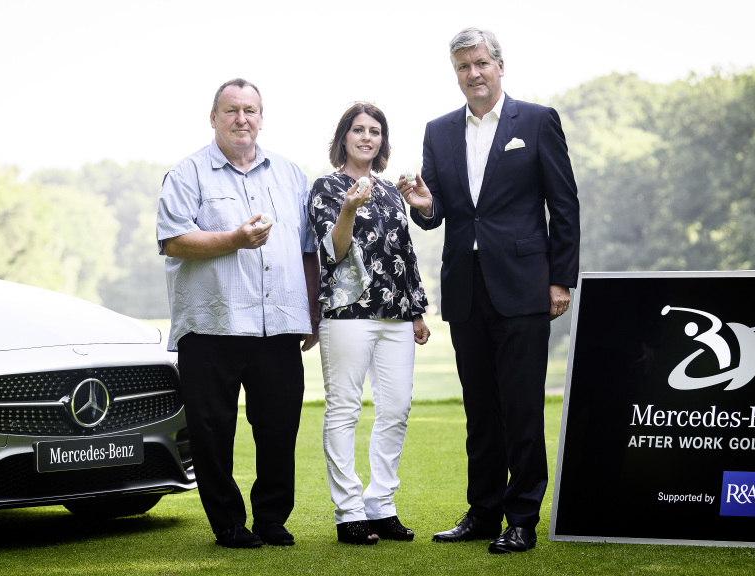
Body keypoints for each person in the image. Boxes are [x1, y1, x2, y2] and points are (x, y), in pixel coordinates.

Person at [397, 28, 580, 554]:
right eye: (462, 67)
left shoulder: (538, 121)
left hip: (524, 287)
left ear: (500, 65)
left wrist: (560, 279)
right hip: (465, 288)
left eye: (480, 63)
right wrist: (423, 203)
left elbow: (563, 207)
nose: (472, 74)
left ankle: (521, 517)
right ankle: (482, 512)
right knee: (480, 409)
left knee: (521, 407)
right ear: (454, 74)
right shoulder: (438, 130)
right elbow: (435, 217)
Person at [156, 78, 320, 549]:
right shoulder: (187, 174)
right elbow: (173, 240)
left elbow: (309, 250)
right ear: (213, 118)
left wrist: (311, 310)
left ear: (262, 118)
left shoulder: (291, 175)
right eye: (231, 111)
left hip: (279, 326)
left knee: (278, 427)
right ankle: (227, 524)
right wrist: (233, 239)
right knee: (211, 432)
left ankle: (271, 518)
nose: (241, 119)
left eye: (250, 110)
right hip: (211, 325)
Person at [308, 102, 431, 545]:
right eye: (358, 130)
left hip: (396, 316)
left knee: (396, 408)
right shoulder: (326, 187)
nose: (366, 137)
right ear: (343, 137)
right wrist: (348, 210)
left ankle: (381, 506)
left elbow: (404, 253)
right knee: (345, 410)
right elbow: (332, 253)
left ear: (382, 141)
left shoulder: (392, 191)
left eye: (374, 131)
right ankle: (349, 512)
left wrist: (416, 309)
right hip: (347, 315)